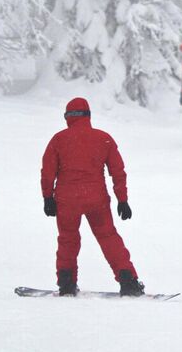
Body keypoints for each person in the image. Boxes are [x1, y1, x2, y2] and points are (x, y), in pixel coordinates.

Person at [39, 97, 144, 296]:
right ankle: (128, 280)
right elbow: (118, 171)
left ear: (68, 117)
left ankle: (66, 282)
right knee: (108, 238)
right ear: (88, 115)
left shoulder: (59, 139)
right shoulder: (103, 138)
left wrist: (47, 197)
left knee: (67, 240)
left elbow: (47, 171)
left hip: (66, 200)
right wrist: (123, 199)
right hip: (97, 200)